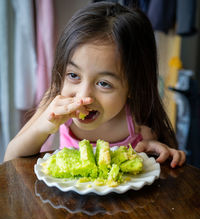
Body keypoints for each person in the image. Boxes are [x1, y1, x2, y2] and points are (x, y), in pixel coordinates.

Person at [4, 2, 185, 167]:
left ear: (133, 86)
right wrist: (44, 127)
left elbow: (156, 164)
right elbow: (10, 159)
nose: (83, 97)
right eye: (74, 75)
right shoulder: (54, 102)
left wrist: (155, 151)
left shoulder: (137, 118)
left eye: (104, 83)